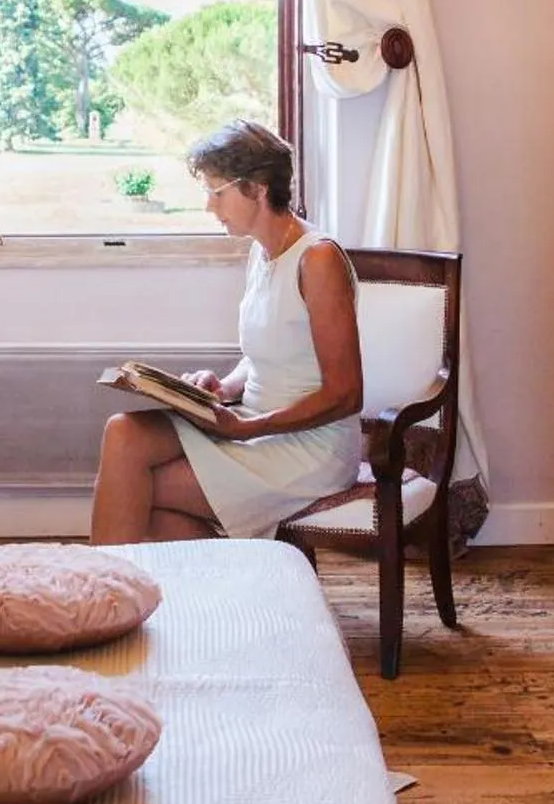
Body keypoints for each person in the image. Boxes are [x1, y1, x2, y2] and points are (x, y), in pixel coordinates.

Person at [89, 121, 365, 544]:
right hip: (254, 423)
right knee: (124, 433)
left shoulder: (318, 259)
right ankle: (220, 586)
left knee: (133, 488)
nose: (208, 206)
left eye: (217, 192)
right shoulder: (262, 251)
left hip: (309, 449)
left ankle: (106, 599)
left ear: (256, 188)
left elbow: (346, 393)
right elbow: (265, 355)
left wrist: (249, 429)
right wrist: (220, 387)